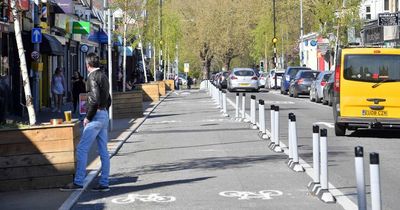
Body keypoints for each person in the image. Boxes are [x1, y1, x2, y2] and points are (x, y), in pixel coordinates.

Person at [61, 53, 112, 192]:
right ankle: (104, 182)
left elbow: (94, 99)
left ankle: (78, 181)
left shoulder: (92, 77)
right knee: (103, 151)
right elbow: (108, 98)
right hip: (104, 115)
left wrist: (88, 117)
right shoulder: (104, 76)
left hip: (95, 116)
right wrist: (104, 110)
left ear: (88, 65)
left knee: (82, 149)